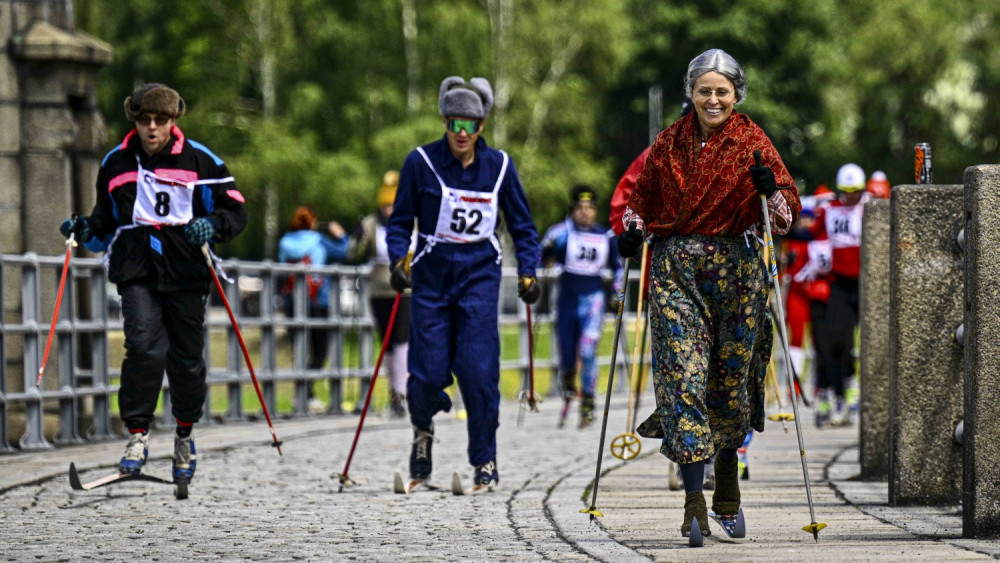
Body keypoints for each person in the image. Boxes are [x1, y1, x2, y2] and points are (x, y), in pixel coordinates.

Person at [619, 49, 801, 537]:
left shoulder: (752, 141)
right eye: (705, 90)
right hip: (677, 271)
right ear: (691, 93)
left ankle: (726, 480)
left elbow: (783, 219)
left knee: (730, 378)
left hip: (737, 273)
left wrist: (771, 190)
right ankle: (694, 499)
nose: (713, 99)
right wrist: (632, 231)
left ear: (736, 94)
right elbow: (639, 204)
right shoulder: (668, 145)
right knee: (683, 376)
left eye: (722, 91)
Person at [58, 83, 247, 482]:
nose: (152, 128)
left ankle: (183, 433)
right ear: (135, 121)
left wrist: (210, 225)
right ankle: (138, 434)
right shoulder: (116, 163)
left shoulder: (202, 161)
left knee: (186, 357)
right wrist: (82, 228)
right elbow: (103, 227)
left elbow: (236, 211)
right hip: (137, 270)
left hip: (186, 271)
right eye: (144, 121)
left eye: (160, 121)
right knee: (143, 346)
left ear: (173, 121)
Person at [386, 76, 540, 492]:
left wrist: (529, 270)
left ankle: (485, 460)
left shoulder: (500, 166)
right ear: (444, 121)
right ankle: (422, 436)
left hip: (479, 274)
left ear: (482, 126)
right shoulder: (421, 161)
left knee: (477, 372)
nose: (461, 133)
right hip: (433, 274)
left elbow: (523, 226)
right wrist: (397, 261)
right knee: (427, 372)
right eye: (454, 124)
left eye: (470, 125)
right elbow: (400, 222)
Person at [540, 185, 623, 428]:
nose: (585, 212)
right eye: (580, 208)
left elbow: (618, 268)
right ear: (573, 210)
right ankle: (567, 381)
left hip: (593, 300)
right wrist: (545, 255)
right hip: (566, 299)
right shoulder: (560, 233)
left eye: (590, 208)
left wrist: (617, 294)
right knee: (567, 353)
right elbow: (541, 255)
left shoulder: (605, 236)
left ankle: (588, 398)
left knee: (587, 351)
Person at [795, 163, 869, 427]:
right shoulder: (828, 210)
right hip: (839, 283)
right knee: (838, 340)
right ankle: (844, 390)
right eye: (846, 192)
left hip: (866, 282)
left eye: (855, 191)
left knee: (870, 341)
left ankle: (855, 387)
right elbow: (805, 230)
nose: (851, 197)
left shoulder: (869, 207)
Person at [347, 171, 413, 418]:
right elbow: (352, 253)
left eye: (393, 205)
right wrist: (356, 238)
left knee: (401, 339)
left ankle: (401, 392)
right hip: (379, 289)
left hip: (405, 288)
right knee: (386, 342)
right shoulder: (371, 223)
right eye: (386, 206)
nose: (389, 210)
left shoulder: (412, 221)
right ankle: (393, 392)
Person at [277, 205, 349, 414]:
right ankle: (306, 393)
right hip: (318, 303)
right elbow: (346, 252)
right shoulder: (319, 240)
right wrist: (341, 235)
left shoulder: (284, 242)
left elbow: (281, 269)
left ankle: (304, 395)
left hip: (292, 303)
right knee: (320, 352)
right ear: (312, 222)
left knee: (300, 351)